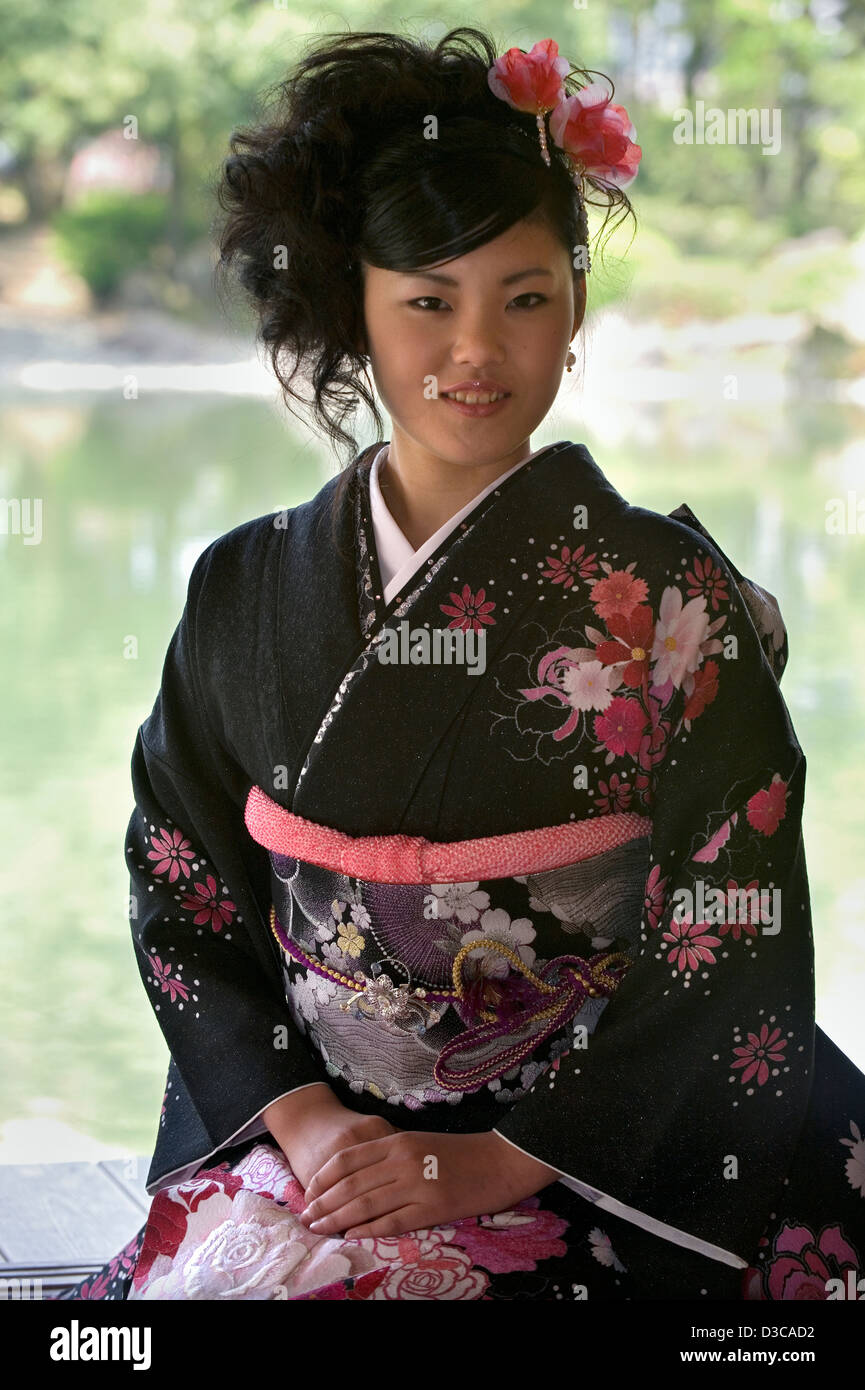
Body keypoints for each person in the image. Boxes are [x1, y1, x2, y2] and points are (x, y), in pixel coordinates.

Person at [55, 26, 865, 1302]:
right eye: (428, 301)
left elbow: (733, 914)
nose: (477, 348)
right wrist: (307, 1122)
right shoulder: (241, 588)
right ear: (354, 309)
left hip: (607, 1146)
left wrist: (497, 1162)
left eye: (524, 298)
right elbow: (184, 891)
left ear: (576, 307)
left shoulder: (669, 602)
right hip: (325, 1135)